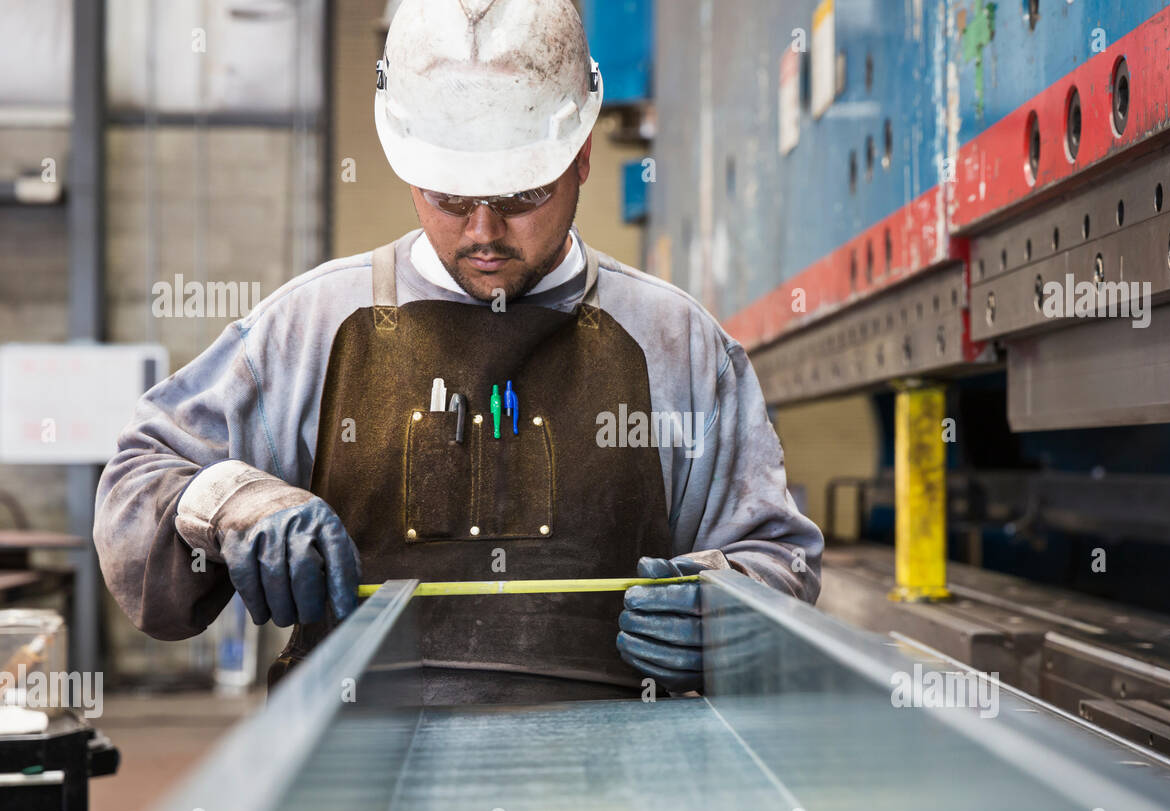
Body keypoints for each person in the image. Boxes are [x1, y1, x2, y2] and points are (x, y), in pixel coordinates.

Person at [93, 0, 822, 705]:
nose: (483, 232)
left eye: (520, 196)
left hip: (614, 792)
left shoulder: (679, 346)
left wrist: (726, 612)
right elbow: (137, 482)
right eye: (448, 199)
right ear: (412, 171)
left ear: (582, 157)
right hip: (349, 782)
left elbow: (778, 558)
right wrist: (232, 503)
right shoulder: (312, 326)